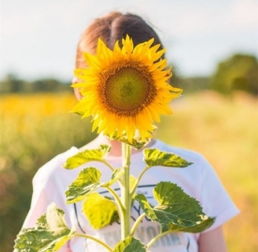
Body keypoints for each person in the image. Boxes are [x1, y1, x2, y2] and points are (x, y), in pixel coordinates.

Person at [19, 12, 240, 252]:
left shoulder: (195, 170)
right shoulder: (59, 177)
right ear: (81, 90)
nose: (125, 92)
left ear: (161, 81)